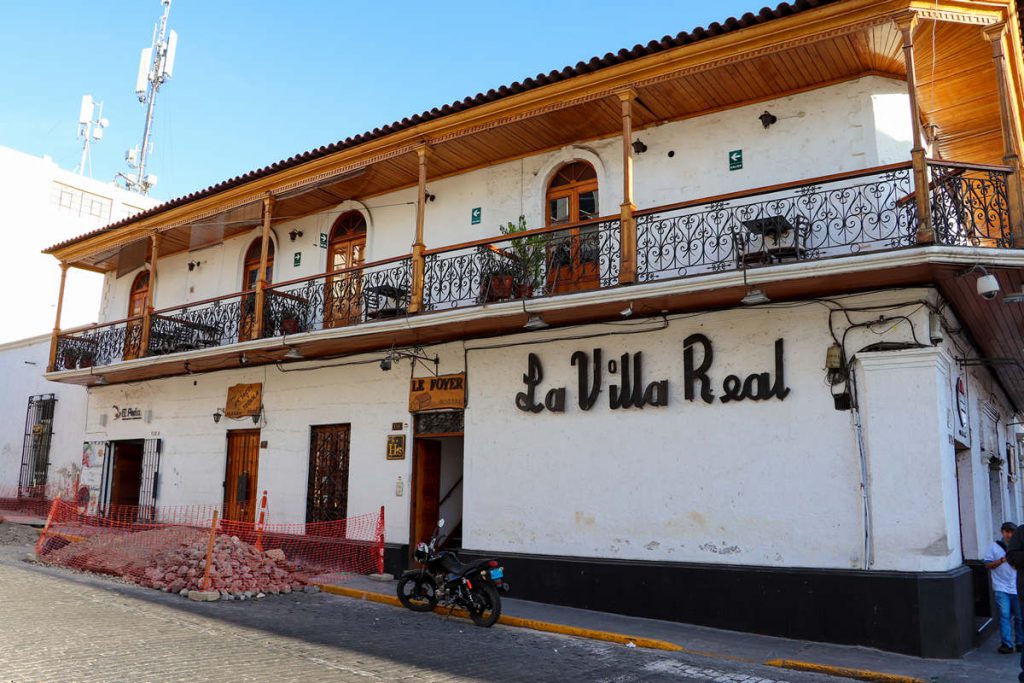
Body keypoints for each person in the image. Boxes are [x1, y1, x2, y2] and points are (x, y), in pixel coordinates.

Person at [987, 522, 1024, 655]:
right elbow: (987, 564)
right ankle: (1006, 644)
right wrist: (1001, 561)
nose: (1009, 535)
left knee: (1020, 617)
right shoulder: (994, 547)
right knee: (1004, 615)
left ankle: (1020, 642)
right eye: (1006, 532)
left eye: (1011, 532)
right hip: (1001, 587)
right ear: (1002, 532)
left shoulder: (1018, 547)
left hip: (1017, 587)